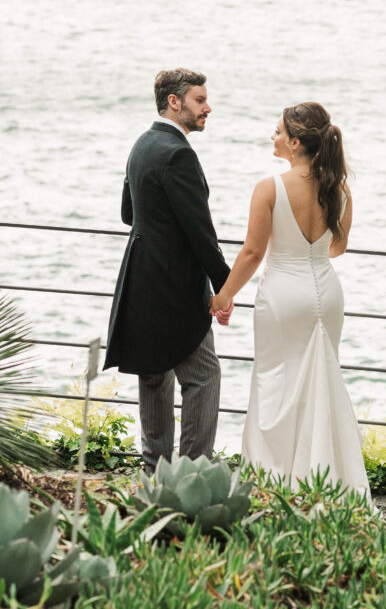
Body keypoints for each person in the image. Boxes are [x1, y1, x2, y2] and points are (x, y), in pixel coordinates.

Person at [210, 101, 370, 496]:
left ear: (296, 142)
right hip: (327, 292)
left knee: (275, 388)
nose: (273, 136)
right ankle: (325, 485)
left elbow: (252, 253)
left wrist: (222, 297)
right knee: (321, 384)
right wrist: (309, 256)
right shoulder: (340, 188)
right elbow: (338, 247)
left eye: (279, 131)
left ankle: (276, 485)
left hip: (283, 294)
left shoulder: (270, 188)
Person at [104, 68, 234, 473]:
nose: (207, 107)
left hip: (140, 279)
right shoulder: (179, 154)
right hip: (174, 286)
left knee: (155, 374)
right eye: (199, 100)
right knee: (203, 375)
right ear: (174, 102)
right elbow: (201, 234)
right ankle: (192, 473)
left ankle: (153, 472)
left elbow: (129, 214)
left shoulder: (142, 144)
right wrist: (226, 288)